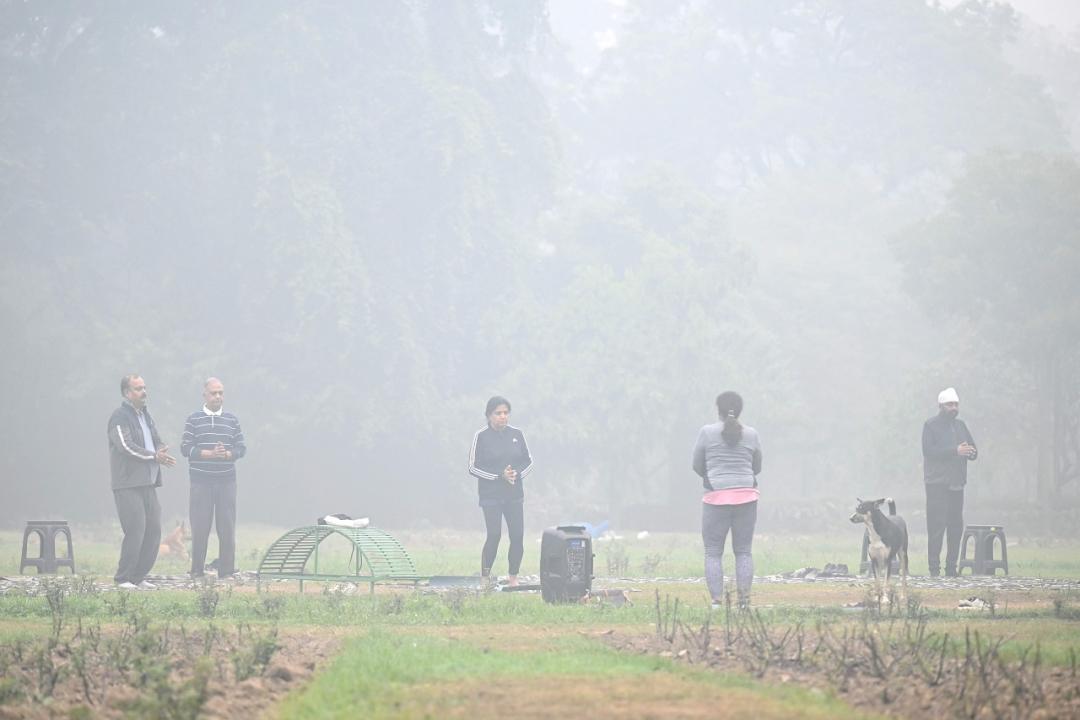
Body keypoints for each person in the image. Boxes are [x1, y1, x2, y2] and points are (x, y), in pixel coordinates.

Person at [692, 391, 762, 610]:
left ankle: (716, 604)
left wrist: (710, 477)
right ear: (739, 410)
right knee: (743, 551)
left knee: (713, 552)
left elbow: (696, 464)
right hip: (747, 497)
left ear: (718, 409)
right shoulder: (752, 434)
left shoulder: (706, 432)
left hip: (715, 498)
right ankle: (743, 603)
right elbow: (757, 466)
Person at [107, 374, 176, 589]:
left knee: (154, 530)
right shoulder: (119, 417)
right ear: (127, 393)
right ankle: (123, 578)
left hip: (148, 483)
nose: (144, 392)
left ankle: (138, 577)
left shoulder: (145, 415)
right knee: (136, 529)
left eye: (144, 387)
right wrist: (153, 456)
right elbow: (125, 446)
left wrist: (161, 449)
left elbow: (156, 440)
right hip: (127, 483)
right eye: (138, 388)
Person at [181, 377, 246, 578]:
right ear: (205, 395)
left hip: (226, 481)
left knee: (227, 528)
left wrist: (227, 454)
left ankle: (226, 571)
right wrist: (208, 454)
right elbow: (185, 448)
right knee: (200, 528)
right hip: (201, 482)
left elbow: (241, 448)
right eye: (214, 393)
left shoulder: (232, 420)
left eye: (221, 393)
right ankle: (197, 570)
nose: (218, 396)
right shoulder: (194, 419)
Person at [468, 396, 533, 586]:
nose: (502, 417)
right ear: (489, 416)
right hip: (491, 497)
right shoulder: (481, 437)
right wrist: (499, 476)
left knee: (517, 535)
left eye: (505, 413)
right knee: (494, 534)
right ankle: (485, 577)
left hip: (514, 496)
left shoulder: (517, 434)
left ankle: (513, 577)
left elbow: (528, 461)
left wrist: (516, 474)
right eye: (498, 413)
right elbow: (473, 467)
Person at [922, 387, 977, 577]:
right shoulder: (931, 425)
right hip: (937, 484)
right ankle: (934, 570)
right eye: (949, 405)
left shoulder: (961, 425)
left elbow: (972, 448)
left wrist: (971, 452)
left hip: (957, 483)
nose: (953, 408)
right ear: (941, 406)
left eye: (955, 404)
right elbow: (929, 452)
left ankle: (951, 569)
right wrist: (955, 450)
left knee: (955, 527)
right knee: (936, 527)